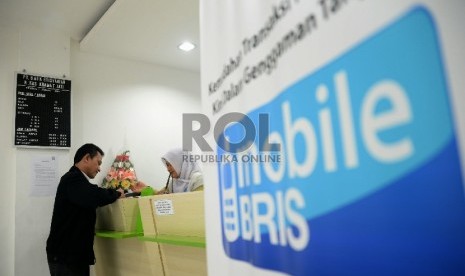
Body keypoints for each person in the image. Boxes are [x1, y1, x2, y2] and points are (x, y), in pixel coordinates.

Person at [46, 143, 125, 276]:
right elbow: (94, 195)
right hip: (65, 257)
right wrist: (117, 193)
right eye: (98, 163)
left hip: (73, 256)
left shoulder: (78, 181)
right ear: (87, 158)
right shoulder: (72, 179)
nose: (100, 168)